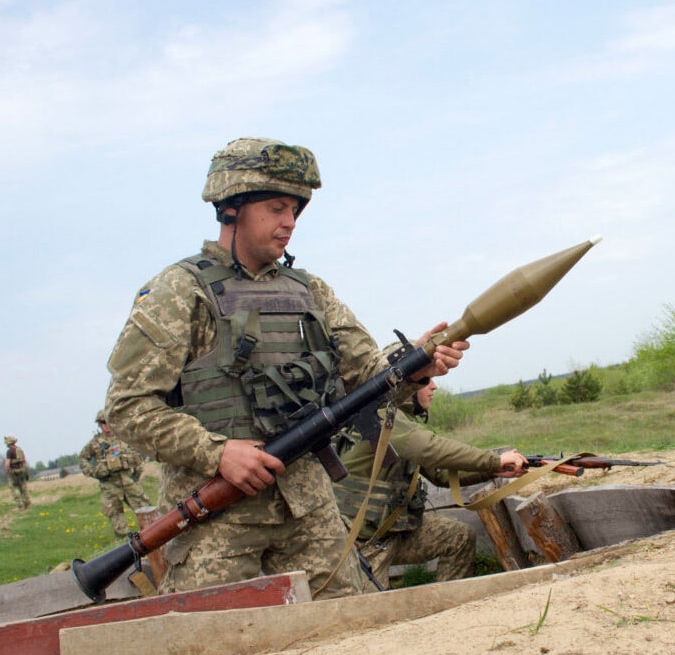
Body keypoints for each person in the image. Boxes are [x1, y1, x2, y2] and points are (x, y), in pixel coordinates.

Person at [103, 137, 467, 599]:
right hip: (217, 515)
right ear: (233, 205)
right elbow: (128, 409)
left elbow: (367, 377)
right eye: (276, 207)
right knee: (218, 651)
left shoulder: (310, 291)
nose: (289, 223)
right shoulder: (179, 293)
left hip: (309, 508)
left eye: (296, 210)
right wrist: (218, 453)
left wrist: (416, 369)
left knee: (351, 631)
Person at [333, 378, 527, 589]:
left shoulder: (403, 420)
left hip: (394, 534)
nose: (433, 386)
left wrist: (495, 469)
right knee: (374, 615)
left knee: (459, 537)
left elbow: (441, 474)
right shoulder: (385, 416)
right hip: (364, 544)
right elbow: (431, 448)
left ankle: (448, 607)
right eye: (425, 380)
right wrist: (494, 460)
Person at [79, 411, 153, 538]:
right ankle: (125, 542)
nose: (106, 426)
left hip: (128, 480)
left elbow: (138, 454)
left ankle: (152, 534)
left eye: (108, 422)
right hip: (109, 484)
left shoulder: (124, 438)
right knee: (115, 514)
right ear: (100, 425)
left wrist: (137, 472)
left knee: (144, 507)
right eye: (103, 423)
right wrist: (95, 472)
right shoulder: (95, 444)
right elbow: (83, 459)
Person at [3, 435, 30, 510]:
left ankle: (20, 506)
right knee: (23, 489)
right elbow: (24, 460)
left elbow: (7, 464)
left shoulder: (9, 451)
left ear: (9, 443)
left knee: (14, 489)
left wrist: (8, 471)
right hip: (22, 471)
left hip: (14, 473)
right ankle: (27, 504)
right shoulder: (20, 449)